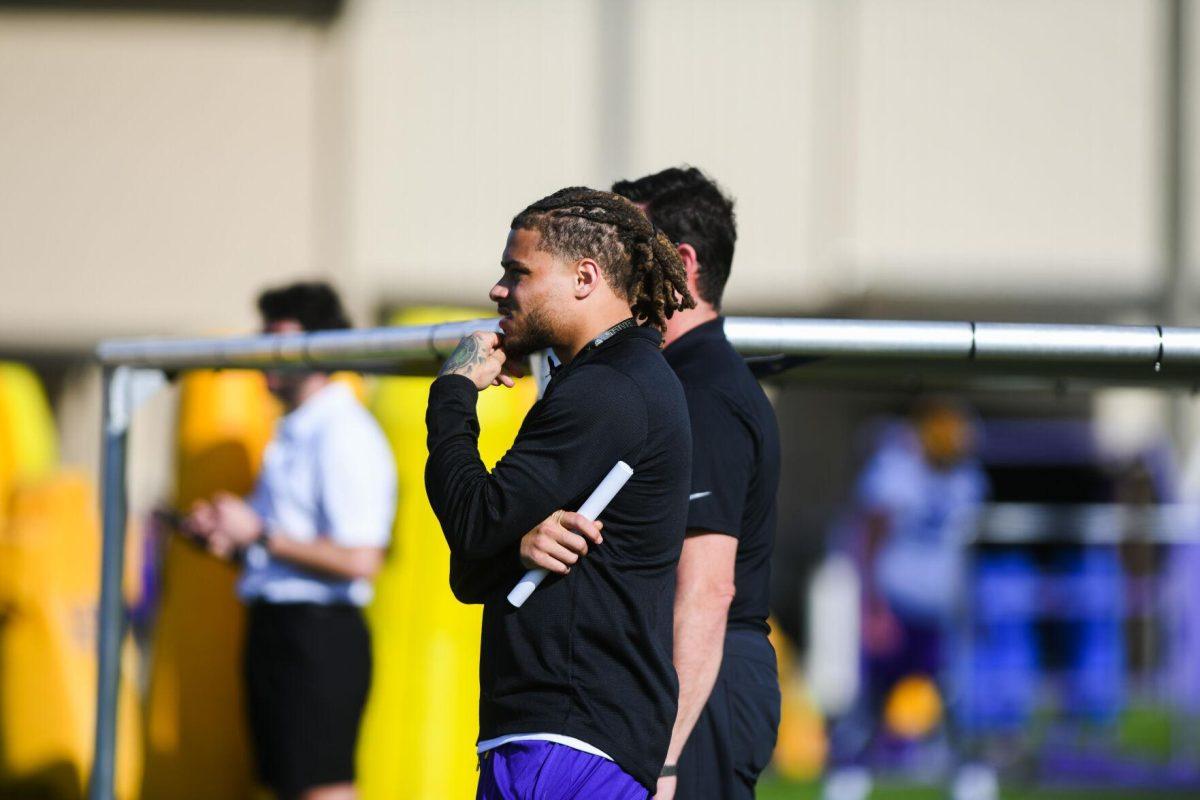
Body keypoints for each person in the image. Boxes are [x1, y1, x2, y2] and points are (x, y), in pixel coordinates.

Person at [424, 187, 694, 799]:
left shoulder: (607, 389)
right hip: (562, 736)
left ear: (585, 278)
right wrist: (514, 545)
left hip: (567, 740)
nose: (499, 290)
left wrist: (452, 395)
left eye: (517, 273)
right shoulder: (607, 380)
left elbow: (471, 524)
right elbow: (472, 569)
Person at [521, 166, 782, 800]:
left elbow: (707, 587)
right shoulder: (668, 380)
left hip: (701, 680)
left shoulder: (704, 393)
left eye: (633, 253)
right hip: (676, 677)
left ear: (684, 263)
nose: (612, 270)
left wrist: (662, 760)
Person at [184, 281, 396, 800]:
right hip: (278, 629)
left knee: (323, 791)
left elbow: (362, 559)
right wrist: (227, 539)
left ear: (320, 350)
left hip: (318, 638)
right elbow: (280, 548)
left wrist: (258, 533)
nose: (265, 359)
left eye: (279, 342)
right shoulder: (294, 430)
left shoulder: (344, 432)